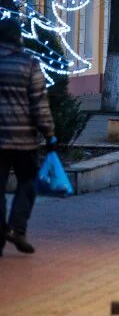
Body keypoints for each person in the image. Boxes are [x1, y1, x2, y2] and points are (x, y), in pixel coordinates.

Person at [0, 18, 55, 256]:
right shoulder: (29, 64)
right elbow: (39, 104)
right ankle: (18, 229)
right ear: (18, 37)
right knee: (28, 182)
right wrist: (49, 133)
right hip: (23, 140)